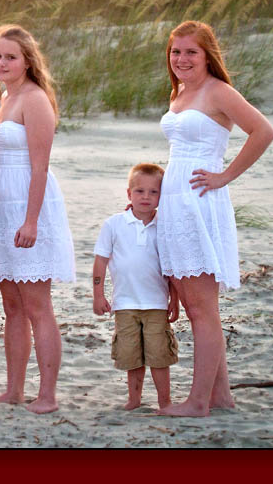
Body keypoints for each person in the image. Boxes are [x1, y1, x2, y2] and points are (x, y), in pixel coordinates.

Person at [156, 21, 273, 417]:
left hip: (200, 204)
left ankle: (197, 402)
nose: (181, 59)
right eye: (176, 51)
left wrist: (225, 176)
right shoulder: (182, 92)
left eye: (191, 52)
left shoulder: (218, 91)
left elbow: (263, 131)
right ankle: (221, 396)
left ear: (208, 55)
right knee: (194, 306)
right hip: (175, 204)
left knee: (203, 308)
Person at [0, 24, 75, 414]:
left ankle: (46, 394)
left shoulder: (34, 99)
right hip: (1, 200)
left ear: (27, 61)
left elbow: (40, 167)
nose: (1, 63)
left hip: (30, 203)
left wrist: (30, 221)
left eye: (10, 56)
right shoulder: (6, 99)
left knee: (37, 305)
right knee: (11, 305)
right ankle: (14, 389)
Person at [92, 163, 180, 411]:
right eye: (140, 191)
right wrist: (98, 295)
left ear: (162, 197)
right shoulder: (114, 224)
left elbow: (171, 268)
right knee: (132, 357)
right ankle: (134, 400)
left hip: (156, 304)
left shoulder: (165, 225)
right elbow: (100, 262)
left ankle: (165, 402)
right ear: (128, 193)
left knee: (159, 356)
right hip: (124, 304)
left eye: (154, 192)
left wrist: (175, 299)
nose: (146, 197)